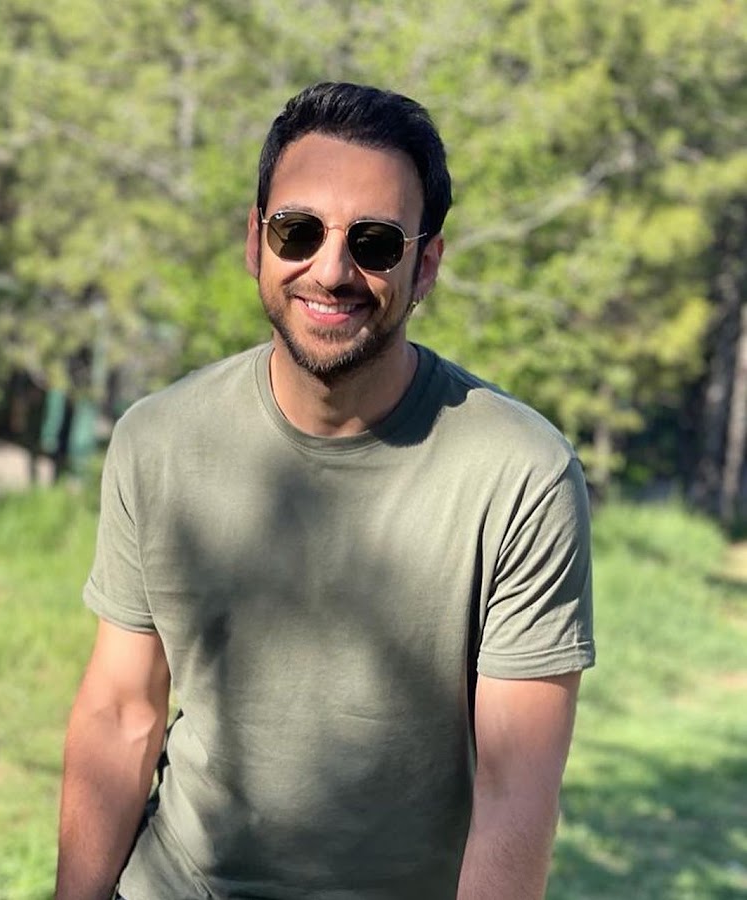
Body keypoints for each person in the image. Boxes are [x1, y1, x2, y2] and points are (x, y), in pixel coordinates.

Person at [54, 82, 595, 900]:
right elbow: (121, 711)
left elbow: (514, 792)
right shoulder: (157, 440)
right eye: (297, 231)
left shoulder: (521, 473)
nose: (332, 269)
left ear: (426, 265)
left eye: (374, 243)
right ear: (256, 242)